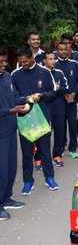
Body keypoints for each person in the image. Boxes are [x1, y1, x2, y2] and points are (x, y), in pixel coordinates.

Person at [11, 46, 59, 195]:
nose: (23, 64)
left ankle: (49, 178)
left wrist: (41, 96)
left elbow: (53, 93)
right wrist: (26, 98)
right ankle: (28, 181)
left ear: (31, 57)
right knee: (26, 152)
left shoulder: (45, 72)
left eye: (25, 61)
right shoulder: (15, 75)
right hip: (24, 118)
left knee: (45, 150)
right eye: (20, 62)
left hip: (42, 118)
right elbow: (13, 97)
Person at [0, 49, 27, 220]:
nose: (4, 64)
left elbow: (15, 96)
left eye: (4, 61)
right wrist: (11, 110)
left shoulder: (7, 76)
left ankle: (6, 197)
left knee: (10, 168)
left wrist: (27, 99)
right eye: (0, 61)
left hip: (10, 129)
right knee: (1, 171)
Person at [59, 34, 78, 151]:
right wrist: (65, 94)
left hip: (75, 96)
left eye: (68, 44)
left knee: (77, 119)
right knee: (62, 121)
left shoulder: (75, 59)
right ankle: (62, 143)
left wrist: (74, 93)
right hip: (61, 97)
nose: (65, 49)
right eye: (62, 47)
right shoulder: (54, 62)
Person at [55, 42, 78, 159]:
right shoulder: (54, 65)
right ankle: (60, 149)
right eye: (60, 50)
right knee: (60, 127)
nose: (63, 52)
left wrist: (73, 93)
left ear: (68, 50)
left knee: (73, 125)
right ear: (57, 51)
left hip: (72, 100)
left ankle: (72, 148)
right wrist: (64, 94)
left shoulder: (74, 64)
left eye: (65, 49)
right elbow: (53, 84)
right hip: (59, 101)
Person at [42, 50, 68, 167]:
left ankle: (57, 155)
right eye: (50, 59)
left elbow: (66, 88)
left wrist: (58, 89)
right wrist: (53, 90)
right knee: (43, 134)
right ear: (44, 60)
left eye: (54, 59)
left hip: (59, 107)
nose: (53, 61)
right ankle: (40, 157)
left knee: (60, 132)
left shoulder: (59, 73)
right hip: (45, 108)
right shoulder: (40, 73)